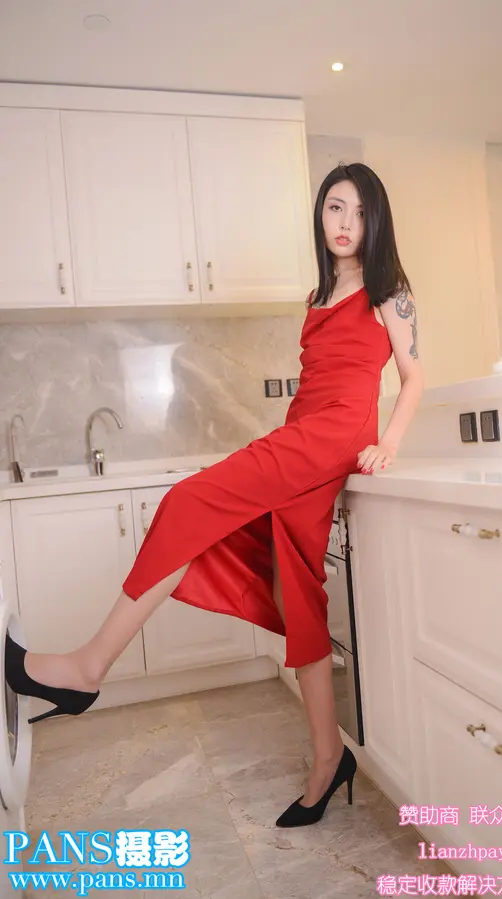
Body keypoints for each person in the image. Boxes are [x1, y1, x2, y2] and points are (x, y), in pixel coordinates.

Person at [5, 162, 424, 828]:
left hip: (333, 438)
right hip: (302, 434)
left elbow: (414, 375)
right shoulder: (318, 296)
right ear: (320, 214)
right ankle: (329, 757)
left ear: (377, 222)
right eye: (335, 207)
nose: (346, 223)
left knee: (187, 504)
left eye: (360, 212)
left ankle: (86, 667)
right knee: (296, 588)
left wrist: (389, 443)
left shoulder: (389, 291)